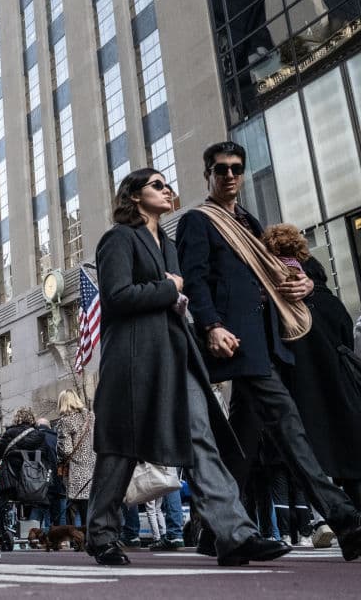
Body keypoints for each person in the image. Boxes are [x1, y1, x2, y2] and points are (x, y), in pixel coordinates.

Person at [87, 169, 289, 567]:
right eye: (157, 185)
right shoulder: (119, 238)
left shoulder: (169, 243)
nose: (167, 190)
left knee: (201, 439)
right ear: (134, 195)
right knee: (121, 447)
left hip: (178, 354)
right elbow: (116, 295)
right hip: (134, 357)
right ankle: (102, 534)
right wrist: (170, 288)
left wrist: (185, 301)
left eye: (168, 185)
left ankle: (235, 534)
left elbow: (178, 294)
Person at [176, 142, 361, 561]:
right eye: (220, 169)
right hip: (236, 340)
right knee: (287, 424)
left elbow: (275, 273)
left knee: (243, 440)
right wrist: (212, 325)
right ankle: (345, 520)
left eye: (236, 168)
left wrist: (308, 283)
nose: (229, 175)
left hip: (267, 341)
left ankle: (214, 530)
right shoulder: (198, 221)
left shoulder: (249, 221)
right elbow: (195, 279)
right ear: (208, 174)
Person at [261, 223, 361, 513]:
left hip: (305, 385)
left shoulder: (276, 298)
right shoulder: (323, 294)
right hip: (342, 382)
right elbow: (345, 331)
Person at [0, 407, 52, 550]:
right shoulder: (40, 436)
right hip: (35, 487)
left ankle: (0, 533)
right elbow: (48, 459)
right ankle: (35, 531)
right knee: (35, 501)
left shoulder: (10, 434)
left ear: (16, 418)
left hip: (12, 485)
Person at [56, 389, 95, 528]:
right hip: (93, 469)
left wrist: (59, 456)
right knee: (89, 509)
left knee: (72, 510)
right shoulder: (91, 417)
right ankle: (90, 536)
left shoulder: (65, 421)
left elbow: (66, 450)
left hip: (76, 471)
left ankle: (75, 537)